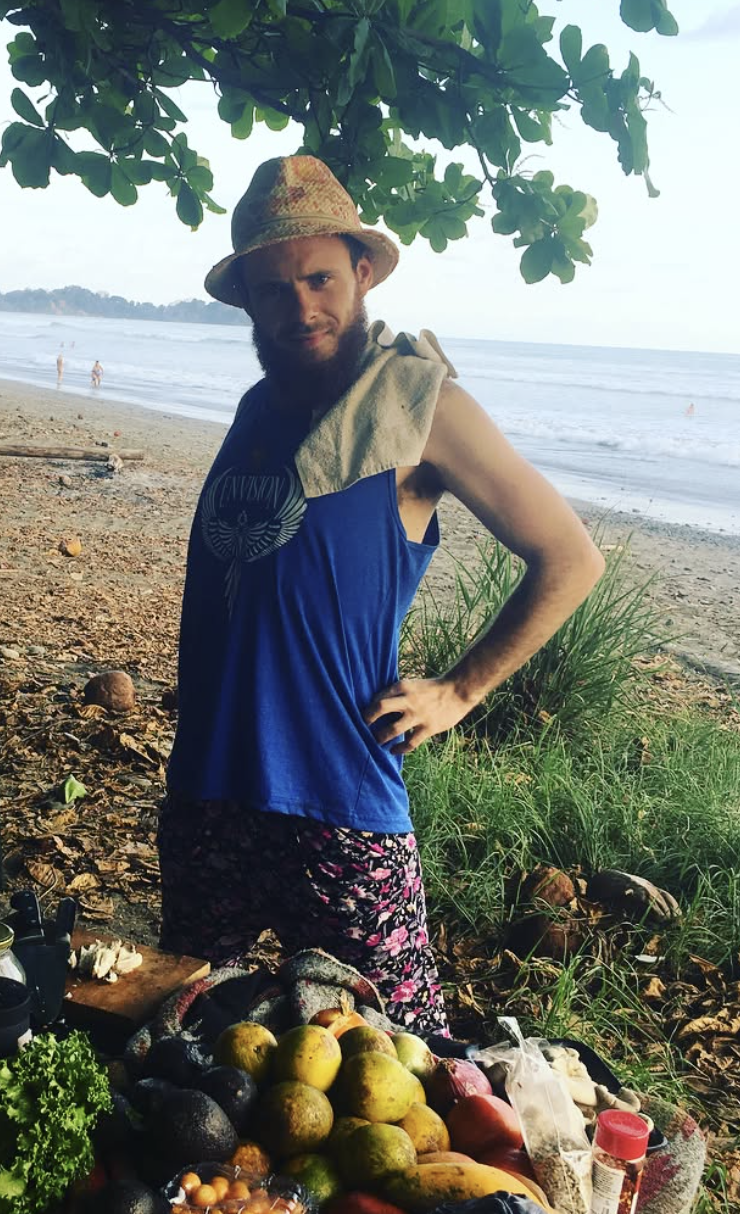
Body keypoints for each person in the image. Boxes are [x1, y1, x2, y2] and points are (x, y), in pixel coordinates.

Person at [158, 156, 605, 1033]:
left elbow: (568, 556)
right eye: (274, 289)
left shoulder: (419, 407)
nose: (301, 308)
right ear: (249, 299)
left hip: (340, 802)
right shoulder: (258, 409)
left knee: (407, 1064)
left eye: (320, 278)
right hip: (211, 793)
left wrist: (461, 690)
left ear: (361, 272)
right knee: (195, 1048)